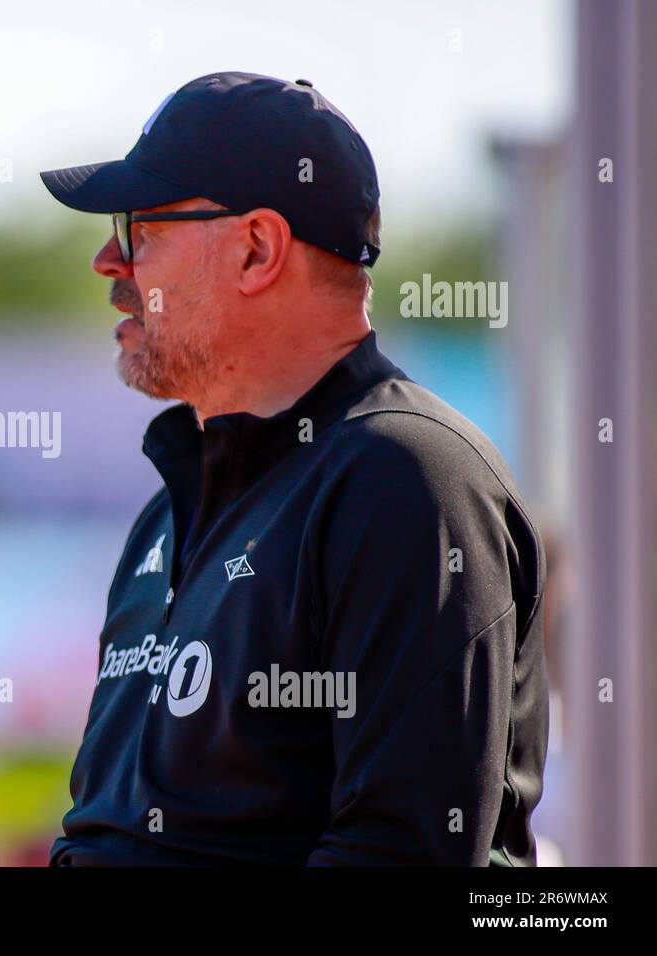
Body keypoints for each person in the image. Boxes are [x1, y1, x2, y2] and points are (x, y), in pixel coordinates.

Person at [39, 72, 548, 865]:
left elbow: (395, 856)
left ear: (257, 249)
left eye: (140, 227)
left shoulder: (407, 477)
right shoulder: (173, 509)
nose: (110, 262)